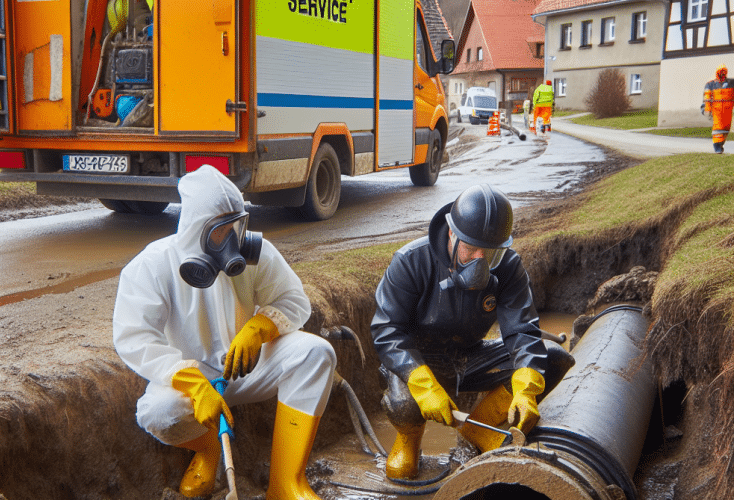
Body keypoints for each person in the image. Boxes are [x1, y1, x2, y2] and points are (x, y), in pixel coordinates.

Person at [113, 165, 336, 499]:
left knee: (317, 354)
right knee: (157, 412)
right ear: (194, 230)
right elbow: (134, 337)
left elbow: (294, 300)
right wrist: (190, 380)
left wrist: (261, 327)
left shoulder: (256, 254)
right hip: (193, 382)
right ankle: (206, 450)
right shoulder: (152, 266)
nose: (233, 238)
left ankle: (285, 484)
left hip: (248, 367)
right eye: (221, 229)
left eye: (238, 224)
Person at [370, 184, 575, 480]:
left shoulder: (508, 268)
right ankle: (409, 441)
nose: (480, 260)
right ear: (452, 233)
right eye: (470, 248)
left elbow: (522, 332)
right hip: (420, 359)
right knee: (405, 402)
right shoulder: (411, 262)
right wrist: (424, 386)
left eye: (490, 253)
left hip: (470, 357)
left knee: (552, 360)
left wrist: (526, 389)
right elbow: (387, 331)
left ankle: (476, 429)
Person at [701, 63, 734, 154]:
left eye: (724, 72)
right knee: (718, 128)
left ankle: (720, 145)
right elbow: (707, 98)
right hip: (717, 110)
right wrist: (707, 109)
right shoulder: (711, 84)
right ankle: (717, 147)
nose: (722, 74)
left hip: (728, 110)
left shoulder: (731, 83)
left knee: (726, 129)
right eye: (721, 72)